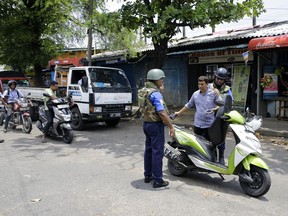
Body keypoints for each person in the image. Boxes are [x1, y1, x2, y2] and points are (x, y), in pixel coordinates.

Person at [138, 68, 175, 188]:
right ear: (156, 80)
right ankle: (158, 180)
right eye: (161, 79)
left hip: (146, 124)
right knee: (157, 152)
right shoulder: (155, 93)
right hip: (155, 126)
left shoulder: (143, 91)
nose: (162, 82)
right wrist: (171, 127)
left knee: (148, 150)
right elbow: (162, 112)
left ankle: (147, 175)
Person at [174, 76, 221, 143]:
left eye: (202, 84)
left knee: (209, 144)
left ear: (207, 84)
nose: (200, 86)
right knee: (198, 144)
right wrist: (179, 112)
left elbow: (221, 104)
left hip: (209, 125)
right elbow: (188, 105)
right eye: (199, 84)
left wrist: (215, 109)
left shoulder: (213, 93)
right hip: (197, 124)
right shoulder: (195, 94)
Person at [209, 67, 234, 164]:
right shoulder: (208, 87)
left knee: (221, 137)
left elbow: (230, 101)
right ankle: (212, 156)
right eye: (218, 78)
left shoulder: (227, 90)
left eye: (222, 79)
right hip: (210, 116)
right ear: (215, 77)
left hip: (222, 117)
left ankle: (221, 157)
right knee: (211, 137)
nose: (219, 81)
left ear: (224, 80)